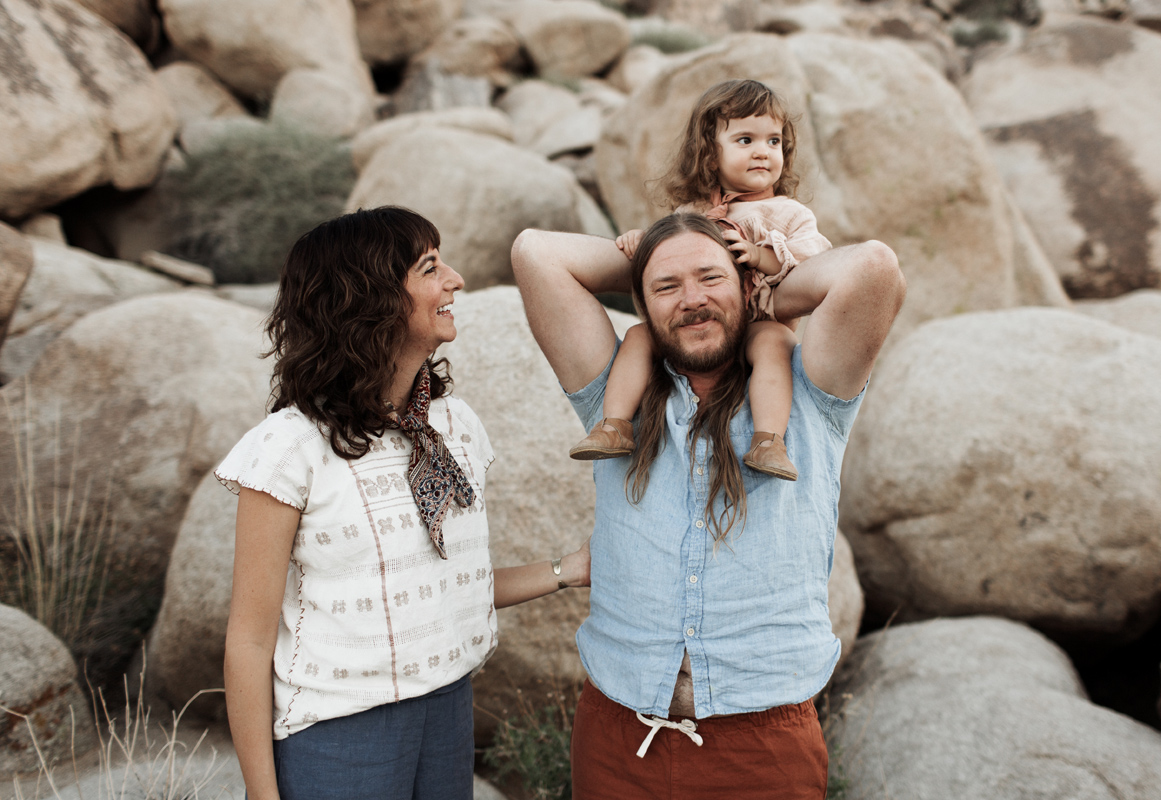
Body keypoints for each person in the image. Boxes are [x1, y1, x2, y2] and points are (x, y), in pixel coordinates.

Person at [511, 209, 904, 798]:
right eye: (666, 288)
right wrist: (663, 249)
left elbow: (872, 267)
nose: (691, 300)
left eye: (709, 278)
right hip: (619, 739)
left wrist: (754, 275)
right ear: (643, 305)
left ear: (746, 285)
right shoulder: (615, 391)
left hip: (763, 747)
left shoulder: (811, 391)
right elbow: (535, 252)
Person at [218, 206, 590, 800]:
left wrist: (566, 572)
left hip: (447, 711)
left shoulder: (454, 427)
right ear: (370, 297)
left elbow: (447, 586)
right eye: (430, 268)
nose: (457, 280)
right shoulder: (289, 449)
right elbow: (249, 642)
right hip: (340, 734)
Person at [569, 79, 832, 482]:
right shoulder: (693, 212)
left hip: (757, 323)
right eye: (746, 140)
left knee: (776, 343)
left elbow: (815, 260)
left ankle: (768, 440)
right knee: (639, 335)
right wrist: (644, 240)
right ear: (710, 155)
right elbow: (671, 247)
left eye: (774, 141)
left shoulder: (789, 214)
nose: (763, 151)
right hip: (700, 324)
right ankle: (615, 425)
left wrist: (761, 257)